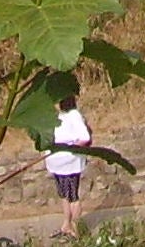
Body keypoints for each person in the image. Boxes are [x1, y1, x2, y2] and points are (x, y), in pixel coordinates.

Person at [46, 91, 93, 235]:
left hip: (69, 163)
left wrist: (70, 149)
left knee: (72, 196)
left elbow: (84, 137)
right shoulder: (58, 116)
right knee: (65, 195)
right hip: (57, 162)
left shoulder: (74, 115)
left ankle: (76, 228)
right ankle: (66, 225)